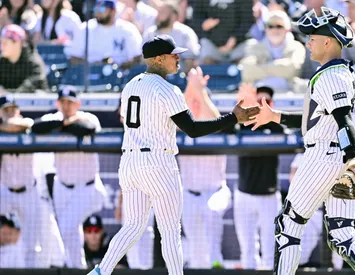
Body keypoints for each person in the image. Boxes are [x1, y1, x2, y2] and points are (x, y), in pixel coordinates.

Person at [86, 34, 259, 275]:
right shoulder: (167, 89)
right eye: (172, 54)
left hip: (129, 162)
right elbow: (194, 130)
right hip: (158, 161)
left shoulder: (130, 85)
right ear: (158, 59)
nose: (178, 58)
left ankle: (100, 271)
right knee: (169, 230)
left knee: (133, 226)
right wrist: (233, 118)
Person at [246, 7, 355, 275]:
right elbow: (321, 118)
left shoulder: (329, 75)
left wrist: (352, 157)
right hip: (338, 156)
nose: (308, 41)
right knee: (342, 231)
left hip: (325, 157)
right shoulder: (342, 73)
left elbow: (344, 119)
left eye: (312, 36)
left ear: (328, 41)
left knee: (288, 224)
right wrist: (276, 116)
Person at [31, 86, 108, 268]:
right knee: (71, 234)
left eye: (70, 102)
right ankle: (78, 268)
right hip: (62, 187)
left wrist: (65, 124)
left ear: (77, 104)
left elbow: (88, 128)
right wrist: (62, 123)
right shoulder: (54, 119)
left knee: (65, 229)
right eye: (63, 102)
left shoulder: (88, 117)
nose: (66, 106)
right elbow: (36, 127)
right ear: (58, 103)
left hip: (87, 188)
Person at [179, 67, 230, 269]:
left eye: (199, 101)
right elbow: (178, 110)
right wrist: (191, 87)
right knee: (197, 252)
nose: (196, 104)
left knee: (211, 213)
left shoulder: (214, 122)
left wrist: (200, 91)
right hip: (190, 195)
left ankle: (217, 261)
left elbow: (219, 123)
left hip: (216, 191)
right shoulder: (183, 126)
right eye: (193, 102)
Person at [0, 94, 56, 268]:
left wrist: (10, 125)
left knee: (32, 241)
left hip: (29, 192)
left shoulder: (29, 126)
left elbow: (29, 124)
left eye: (12, 109)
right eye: (6, 110)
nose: (10, 112)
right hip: (5, 192)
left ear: (18, 110)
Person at [233, 84, 284, 270]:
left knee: (270, 250)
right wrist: (248, 103)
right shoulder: (244, 125)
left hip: (269, 197)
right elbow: (233, 126)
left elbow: (280, 130)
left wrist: (267, 115)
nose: (262, 105)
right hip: (244, 194)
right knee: (247, 250)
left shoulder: (276, 127)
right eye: (259, 101)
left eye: (267, 102)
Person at [64, 0, 142, 69]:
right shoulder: (86, 28)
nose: (97, 12)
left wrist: (118, 66)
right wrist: (98, 65)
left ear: (113, 11)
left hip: (120, 76)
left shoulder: (127, 29)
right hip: (91, 75)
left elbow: (137, 57)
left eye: (102, 8)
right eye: (96, 8)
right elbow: (74, 57)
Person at [0, 24, 49, 93]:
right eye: (1, 43)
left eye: (5, 43)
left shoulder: (34, 64)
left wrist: (7, 94)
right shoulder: (2, 62)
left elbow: (29, 89)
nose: (1, 47)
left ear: (17, 43)